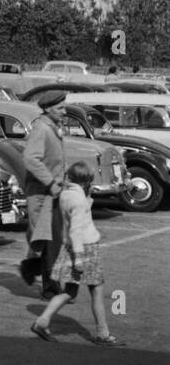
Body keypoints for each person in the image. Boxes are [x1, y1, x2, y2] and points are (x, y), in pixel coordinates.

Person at [30, 161, 122, 344]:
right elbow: (77, 229)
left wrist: (88, 199)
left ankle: (42, 321)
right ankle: (103, 334)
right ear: (86, 181)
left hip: (71, 247)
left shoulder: (67, 195)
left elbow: (75, 217)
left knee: (69, 292)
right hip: (85, 249)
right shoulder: (79, 200)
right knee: (96, 290)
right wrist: (79, 259)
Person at [20, 90, 68, 294]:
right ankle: (49, 285)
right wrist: (50, 183)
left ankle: (33, 269)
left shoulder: (52, 126)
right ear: (48, 109)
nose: (64, 112)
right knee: (49, 238)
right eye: (60, 108)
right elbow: (31, 159)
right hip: (42, 193)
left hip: (53, 192)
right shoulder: (42, 128)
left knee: (52, 237)